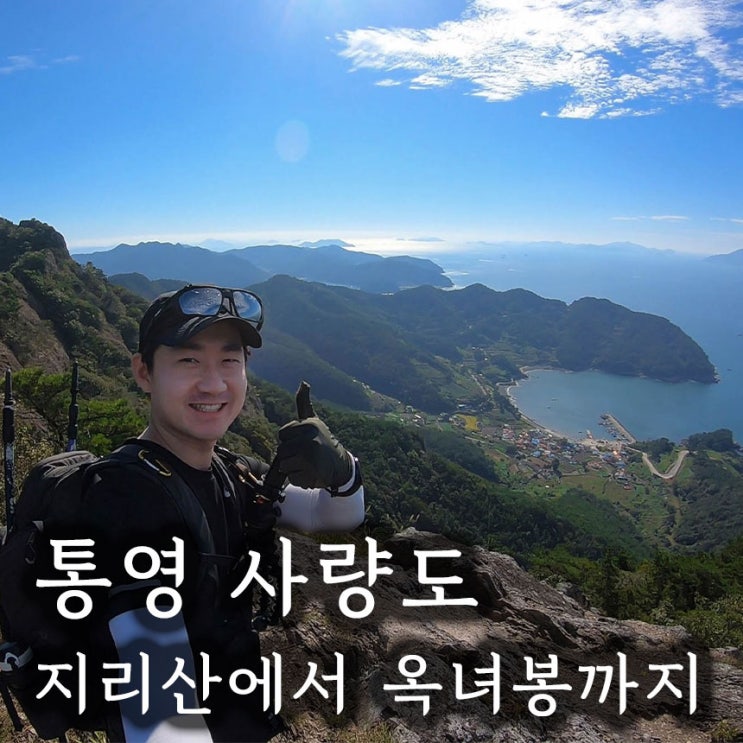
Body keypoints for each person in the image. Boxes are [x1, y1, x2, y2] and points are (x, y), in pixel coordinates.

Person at [58, 284, 365, 742]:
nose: (214, 383)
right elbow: (160, 723)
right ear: (144, 372)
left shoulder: (227, 470)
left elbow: (331, 516)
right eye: (188, 360)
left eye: (229, 361)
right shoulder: (126, 500)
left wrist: (342, 470)